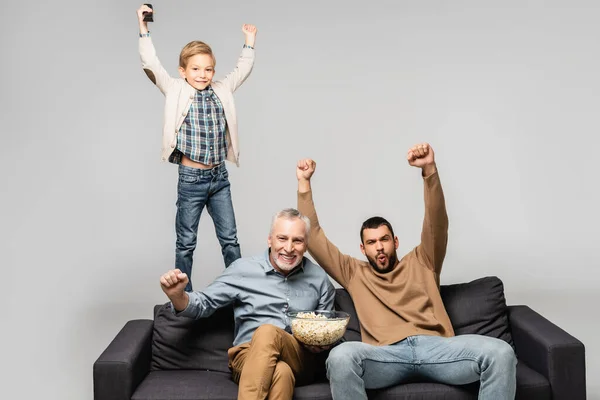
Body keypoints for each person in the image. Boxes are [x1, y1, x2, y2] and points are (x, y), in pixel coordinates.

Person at [296, 143, 517, 399]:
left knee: (501, 352)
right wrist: (304, 185)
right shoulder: (354, 273)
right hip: (385, 356)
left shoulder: (424, 260)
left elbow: (437, 221)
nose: (379, 247)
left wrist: (429, 171)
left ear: (395, 242)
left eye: (384, 239)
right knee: (340, 356)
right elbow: (313, 237)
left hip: (439, 351)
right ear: (363, 248)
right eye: (371, 242)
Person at [137, 4, 257, 291]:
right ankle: (184, 299)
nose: (202, 75)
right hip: (191, 180)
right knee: (186, 242)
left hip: (219, 178)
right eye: (195, 69)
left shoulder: (221, 88)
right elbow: (151, 64)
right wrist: (143, 30)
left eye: (208, 69)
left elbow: (242, 70)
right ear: (183, 70)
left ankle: (242, 294)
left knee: (230, 239)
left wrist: (249, 44)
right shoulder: (175, 88)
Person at [160, 208, 336, 400]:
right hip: (247, 355)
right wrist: (178, 295)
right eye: (282, 238)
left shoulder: (319, 278)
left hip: (300, 357)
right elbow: (204, 303)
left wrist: (321, 343)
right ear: (270, 239)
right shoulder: (243, 270)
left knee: (268, 332)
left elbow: (327, 328)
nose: (289, 248)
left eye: (297, 240)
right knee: (281, 373)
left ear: (306, 244)